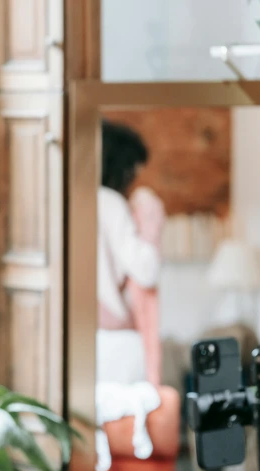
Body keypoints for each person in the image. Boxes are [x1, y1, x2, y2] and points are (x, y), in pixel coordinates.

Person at [97, 120, 164, 384]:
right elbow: (146, 271)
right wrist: (152, 219)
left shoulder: (72, 199)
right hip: (115, 338)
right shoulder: (110, 203)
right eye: (133, 169)